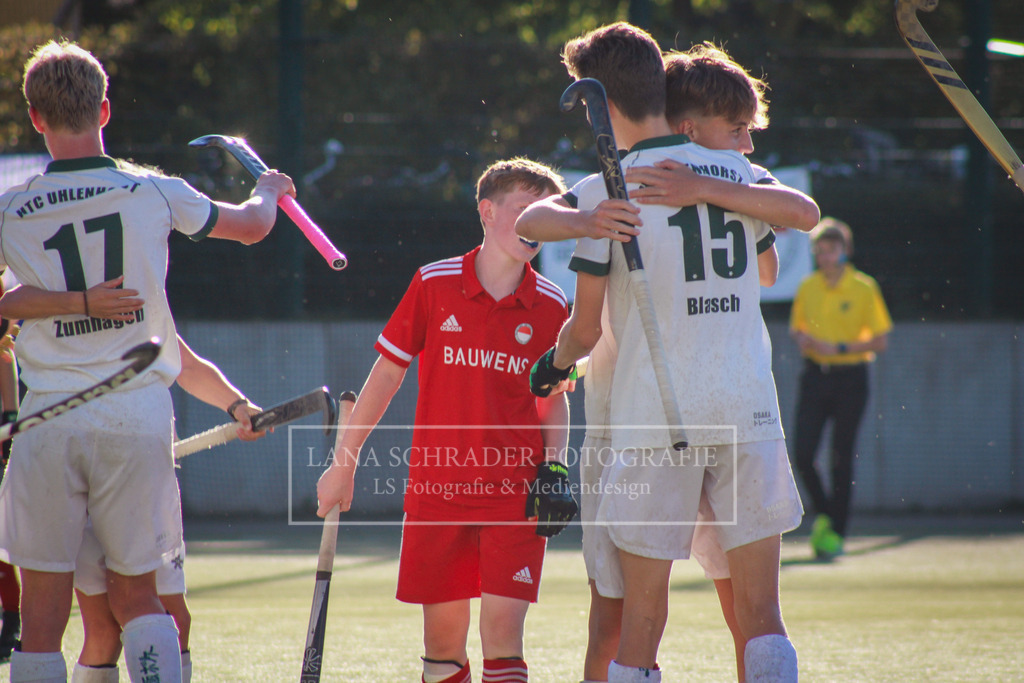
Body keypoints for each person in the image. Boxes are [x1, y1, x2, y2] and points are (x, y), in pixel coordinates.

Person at [0, 39, 294, 683]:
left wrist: (59, 302)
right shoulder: (155, 191)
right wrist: (269, 192)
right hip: (135, 418)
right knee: (140, 598)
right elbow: (251, 226)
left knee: (43, 618)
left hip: (48, 418)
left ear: (36, 119)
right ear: (105, 110)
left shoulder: (10, 209)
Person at [519, 22, 803, 683]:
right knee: (763, 613)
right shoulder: (741, 171)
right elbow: (797, 220)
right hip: (747, 410)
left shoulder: (604, 193)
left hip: (657, 419)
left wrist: (555, 364)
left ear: (600, 103)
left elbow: (543, 254)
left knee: (641, 619)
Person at [316, 158, 576, 683]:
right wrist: (344, 462)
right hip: (439, 490)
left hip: (514, 492)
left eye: (546, 214)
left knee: (503, 637)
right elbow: (385, 377)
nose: (536, 225)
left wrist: (556, 468)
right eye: (525, 210)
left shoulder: (552, 304)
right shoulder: (433, 284)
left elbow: (551, 398)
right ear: (487, 211)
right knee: (442, 646)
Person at [71, 334, 265, 683]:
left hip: (139, 471)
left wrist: (239, 406)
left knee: (161, 621)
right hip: (88, 468)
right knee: (108, 627)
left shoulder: (144, 298)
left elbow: (185, 363)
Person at [789, 217, 891, 560]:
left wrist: (842, 348)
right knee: (802, 454)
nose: (825, 255)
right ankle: (826, 516)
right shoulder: (807, 287)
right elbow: (798, 329)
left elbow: (880, 340)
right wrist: (804, 340)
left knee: (841, 458)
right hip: (815, 376)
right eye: (820, 249)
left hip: (851, 378)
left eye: (832, 249)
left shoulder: (864, 287)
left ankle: (837, 533)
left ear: (845, 252)